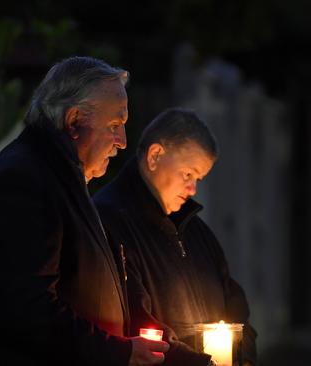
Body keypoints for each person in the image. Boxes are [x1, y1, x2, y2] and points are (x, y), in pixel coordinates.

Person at [0, 56, 169, 365]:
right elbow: (28, 314)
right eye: (115, 125)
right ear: (74, 121)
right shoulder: (25, 180)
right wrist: (120, 352)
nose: (123, 142)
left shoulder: (63, 178)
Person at [94, 108, 258, 366]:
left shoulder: (196, 232)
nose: (193, 189)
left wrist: (243, 357)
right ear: (155, 156)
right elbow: (133, 320)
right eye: (188, 174)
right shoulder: (108, 223)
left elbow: (235, 305)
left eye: (199, 179)